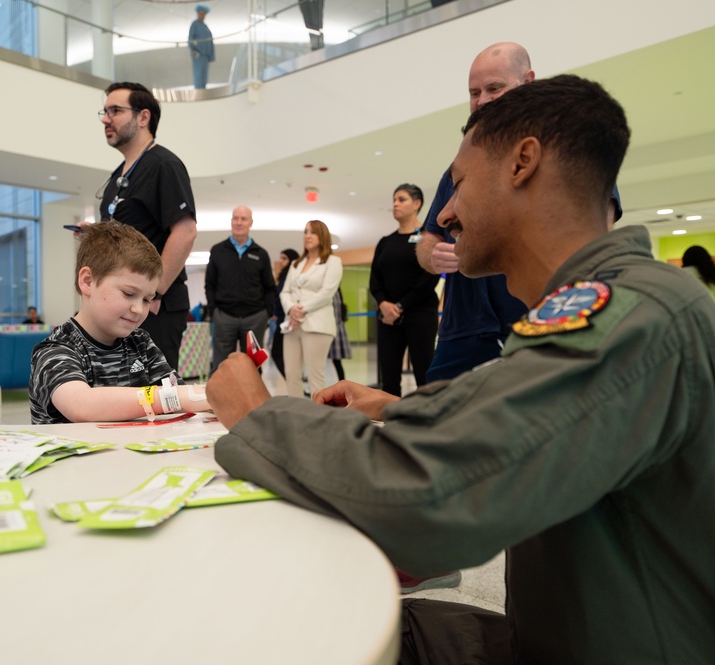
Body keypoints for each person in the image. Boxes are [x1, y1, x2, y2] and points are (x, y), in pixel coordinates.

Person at [207, 75, 715, 664]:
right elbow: (526, 420)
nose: (446, 211)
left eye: (460, 182)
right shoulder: (630, 303)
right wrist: (397, 407)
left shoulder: (626, 316)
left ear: (523, 162)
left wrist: (259, 413)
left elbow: (429, 502)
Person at [416, 43, 622, 386]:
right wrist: (432, 255)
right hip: (463, 330)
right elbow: (429, 236)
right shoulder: (458, 167)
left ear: (527, 82)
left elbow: (593, 246)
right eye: (474, 93)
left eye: (494, 88)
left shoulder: (571, 158)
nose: (482, 100)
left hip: (537, 323)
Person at [29, 222, 209, 424]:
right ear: (88, 281)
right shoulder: (55, 350)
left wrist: (210, 396)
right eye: (129, 293)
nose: (139, 309)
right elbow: (81, 406)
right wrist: (174, 397)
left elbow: (181, 396)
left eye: (147, 299)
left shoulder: (141, 343)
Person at [93, 82, 198, 371]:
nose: (106, 119)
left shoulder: (164, 165)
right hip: (124, 302)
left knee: (155, 389)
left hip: (154, 306)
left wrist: (155, 292)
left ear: (143, 117)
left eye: (115, 111)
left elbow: (185, 232)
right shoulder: (119, 175)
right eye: (105, 111)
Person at [370, 184, 440, 395]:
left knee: (424, 373)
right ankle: (390, 414)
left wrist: (400, 305)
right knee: (389, 377)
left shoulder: (428, 238)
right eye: (394, 200)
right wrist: (384, 304)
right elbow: (375, 279)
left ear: (417, 204)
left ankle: (426, 413)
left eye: (401, 199)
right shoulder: (385, 242)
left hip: (420, 314)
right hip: (388, 318)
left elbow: (430, 277)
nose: (395, 204)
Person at [204, 205, 276, 371]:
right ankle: (221, 391)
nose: (239, 222)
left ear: (251, 222)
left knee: (252, 367)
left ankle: (252, 390)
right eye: (235, 218)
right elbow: (210, 285)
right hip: (224, 317)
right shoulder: (218, 251)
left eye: (243, 219)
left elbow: (270, 287)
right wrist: (214, 312)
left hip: (255, 318)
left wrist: (266, 313)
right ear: (231, 221)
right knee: (221, 366)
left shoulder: (261, 254)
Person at [280, 220, 342, 397]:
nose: (307, 236)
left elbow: (327, 293)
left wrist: (301, 309)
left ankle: (318, 412)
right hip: (292, 325)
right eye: (305, 232)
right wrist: (291, 308)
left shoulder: (333, 262)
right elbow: (285, 292)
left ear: (322, 236)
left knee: (315, 377)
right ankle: (295, 411)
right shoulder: (295, 264)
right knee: (291, 375)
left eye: (313, 232)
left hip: (317, 325)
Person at [270, 248, 299, 378]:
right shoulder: (283, 276)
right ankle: (293, 381)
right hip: (282, 321)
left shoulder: (291, 277)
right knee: (282, 353)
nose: (280, 261)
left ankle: (292, 380)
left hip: (288, 321)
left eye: (284, 258)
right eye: (280, 258)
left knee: (277, 353)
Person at [188, 4, 215, 90]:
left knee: (204, 76)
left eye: (203, 14)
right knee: (198, 75)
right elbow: (190, 38)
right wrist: (192, 50)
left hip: (206, 55)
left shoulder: (205, 26)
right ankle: (198, 92)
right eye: (200, 13)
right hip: (198, 54)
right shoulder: (194, 24)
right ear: (197, 13)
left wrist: (211, 55)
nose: (202, 15)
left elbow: (210, 41)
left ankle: (203, 91)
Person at [328, 290, 351, 381]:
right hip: (334, 330)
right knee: (337, 362)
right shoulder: (337, 293)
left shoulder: (333, 294)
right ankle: (342, 382)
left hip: (332, 331)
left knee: (336, 362)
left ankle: (343, 383)